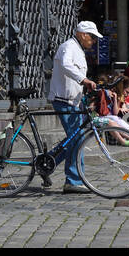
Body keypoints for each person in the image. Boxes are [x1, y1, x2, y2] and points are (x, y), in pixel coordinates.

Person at [48, 20, 100, 194]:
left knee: (74, 138)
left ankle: (50, 162)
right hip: (63, 100)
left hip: (74, 100)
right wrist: (83, 80)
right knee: (76, 139)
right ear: (83, 34)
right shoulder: (68, 47)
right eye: (92, 38)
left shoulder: (78, 50)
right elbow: (65, 65)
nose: (93, 41)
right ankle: (73, 180)